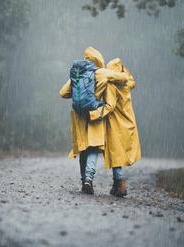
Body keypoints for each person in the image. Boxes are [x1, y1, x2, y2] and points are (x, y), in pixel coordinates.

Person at [60, 47, 130, 194]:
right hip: (95, 116)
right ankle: (89, 180)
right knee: (93, 148)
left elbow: (63, 93)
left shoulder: (78, 73)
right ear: (99, 59)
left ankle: (83, 180)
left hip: (79, 116)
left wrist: (79, 94)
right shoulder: (102, 72)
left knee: (83, 148)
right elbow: (124, 79)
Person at [89, 58, 141, 197]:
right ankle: (116, 185)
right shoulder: (126, 85)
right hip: (128, 122)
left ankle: (120, 183)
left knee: (116, 154)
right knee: (118, 154)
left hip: (116, 123)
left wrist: (93, 114)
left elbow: (110, 106)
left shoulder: (111, 86)